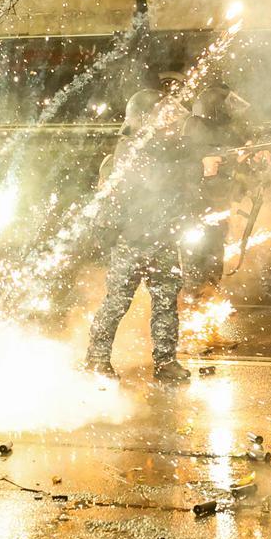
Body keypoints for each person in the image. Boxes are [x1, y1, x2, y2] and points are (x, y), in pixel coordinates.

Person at [85, 87, 215, 382]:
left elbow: (182, 154)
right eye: (161, 115)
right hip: (133, 239)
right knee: (117, 301)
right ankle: (96, 359)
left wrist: (217, 160)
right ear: (143, 119)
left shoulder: (162, 144)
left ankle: (166, 362)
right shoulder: (131, 148)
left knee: (166, 301)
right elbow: (158, 178)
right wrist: (199, 168)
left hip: (162, 237)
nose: (168, 120)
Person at [182, 84, 255, 293]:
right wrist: (212, 159)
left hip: (218, 197)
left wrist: (248, 151)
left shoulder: (226, 127)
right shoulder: (194, 128)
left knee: (215, 246)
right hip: (196, 199)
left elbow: (240, 143)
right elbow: (189, 157)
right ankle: (193, 293)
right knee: (196, 248)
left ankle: (210, 290)